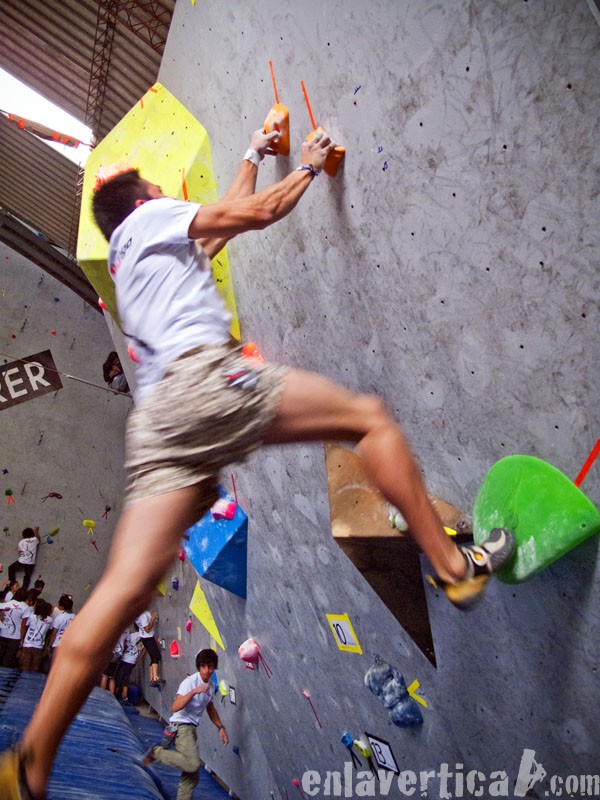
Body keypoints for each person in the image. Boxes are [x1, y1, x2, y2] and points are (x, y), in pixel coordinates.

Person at [0, 123, 515, 799]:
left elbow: (216, 234)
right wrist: (302, 166)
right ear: (144, 196)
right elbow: (260, 213)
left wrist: (253, 153)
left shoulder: (133, 262)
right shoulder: (153, 213)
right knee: (369, 420)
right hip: (205, 387)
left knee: (122, 592)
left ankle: (29, 763)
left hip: (158, 427)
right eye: (158, 189)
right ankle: (455, 568)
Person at [142, 648, 228, 800]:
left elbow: (210, 708)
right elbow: (175, 707)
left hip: (191, 728)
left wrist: (221, 727)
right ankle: (157, 753)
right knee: (192, 764)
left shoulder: (210, 687)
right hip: (182, 726)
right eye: (204, 666)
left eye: (211, 667)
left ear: (215, 667)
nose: (207, 670)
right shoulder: (190, 683)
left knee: (191, 776)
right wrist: (194, 692)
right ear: (199, 667)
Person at [0, 588, 35, 668]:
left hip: (3, 633)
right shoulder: (25, 608)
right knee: (8, 659)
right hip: (15, 637)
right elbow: (23, 625)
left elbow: (1, 617)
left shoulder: (7, 603)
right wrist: (22, 639)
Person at [18, 599, 53, 673]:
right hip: (39, 646)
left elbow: (25, 626)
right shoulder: (50, 620)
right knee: (35, 667)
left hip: (27, 644)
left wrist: (21, 639)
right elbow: (50, 631)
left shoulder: (31, 616)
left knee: (24, 666)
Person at [113, 626, 142, 705]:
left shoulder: (132, 635)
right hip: (132, 661)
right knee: (126, 679)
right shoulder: (144, 637)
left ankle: (114, 696)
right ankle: (125, 697)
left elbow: (126, 644)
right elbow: (142, 651)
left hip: (125, 659)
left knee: (118, 678)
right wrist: (138, 661)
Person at [134, 609, 163, 686]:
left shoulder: (137, 615)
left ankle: (152, 678)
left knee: (153, 656)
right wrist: (152, 618)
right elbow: (147, 629)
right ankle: (155, 678)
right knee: (155, 657)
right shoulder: (142, 615)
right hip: (148, 637)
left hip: (144, 637)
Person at [7, 527, 41, 591]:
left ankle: (13, 583)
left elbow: (20, 552)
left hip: (21, 561)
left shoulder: (21, 542)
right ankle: (23, 591)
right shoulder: (34, 540)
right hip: (31, 563)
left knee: (11, 568)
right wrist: (36, 531)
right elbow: (38, 539)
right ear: (32, 534)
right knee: (27, 577)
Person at [47, 595, 75, 665]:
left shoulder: (60, 618)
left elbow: (54, 633)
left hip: (57, 644)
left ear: (63, 606)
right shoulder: (76, 617)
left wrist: (49, 646)